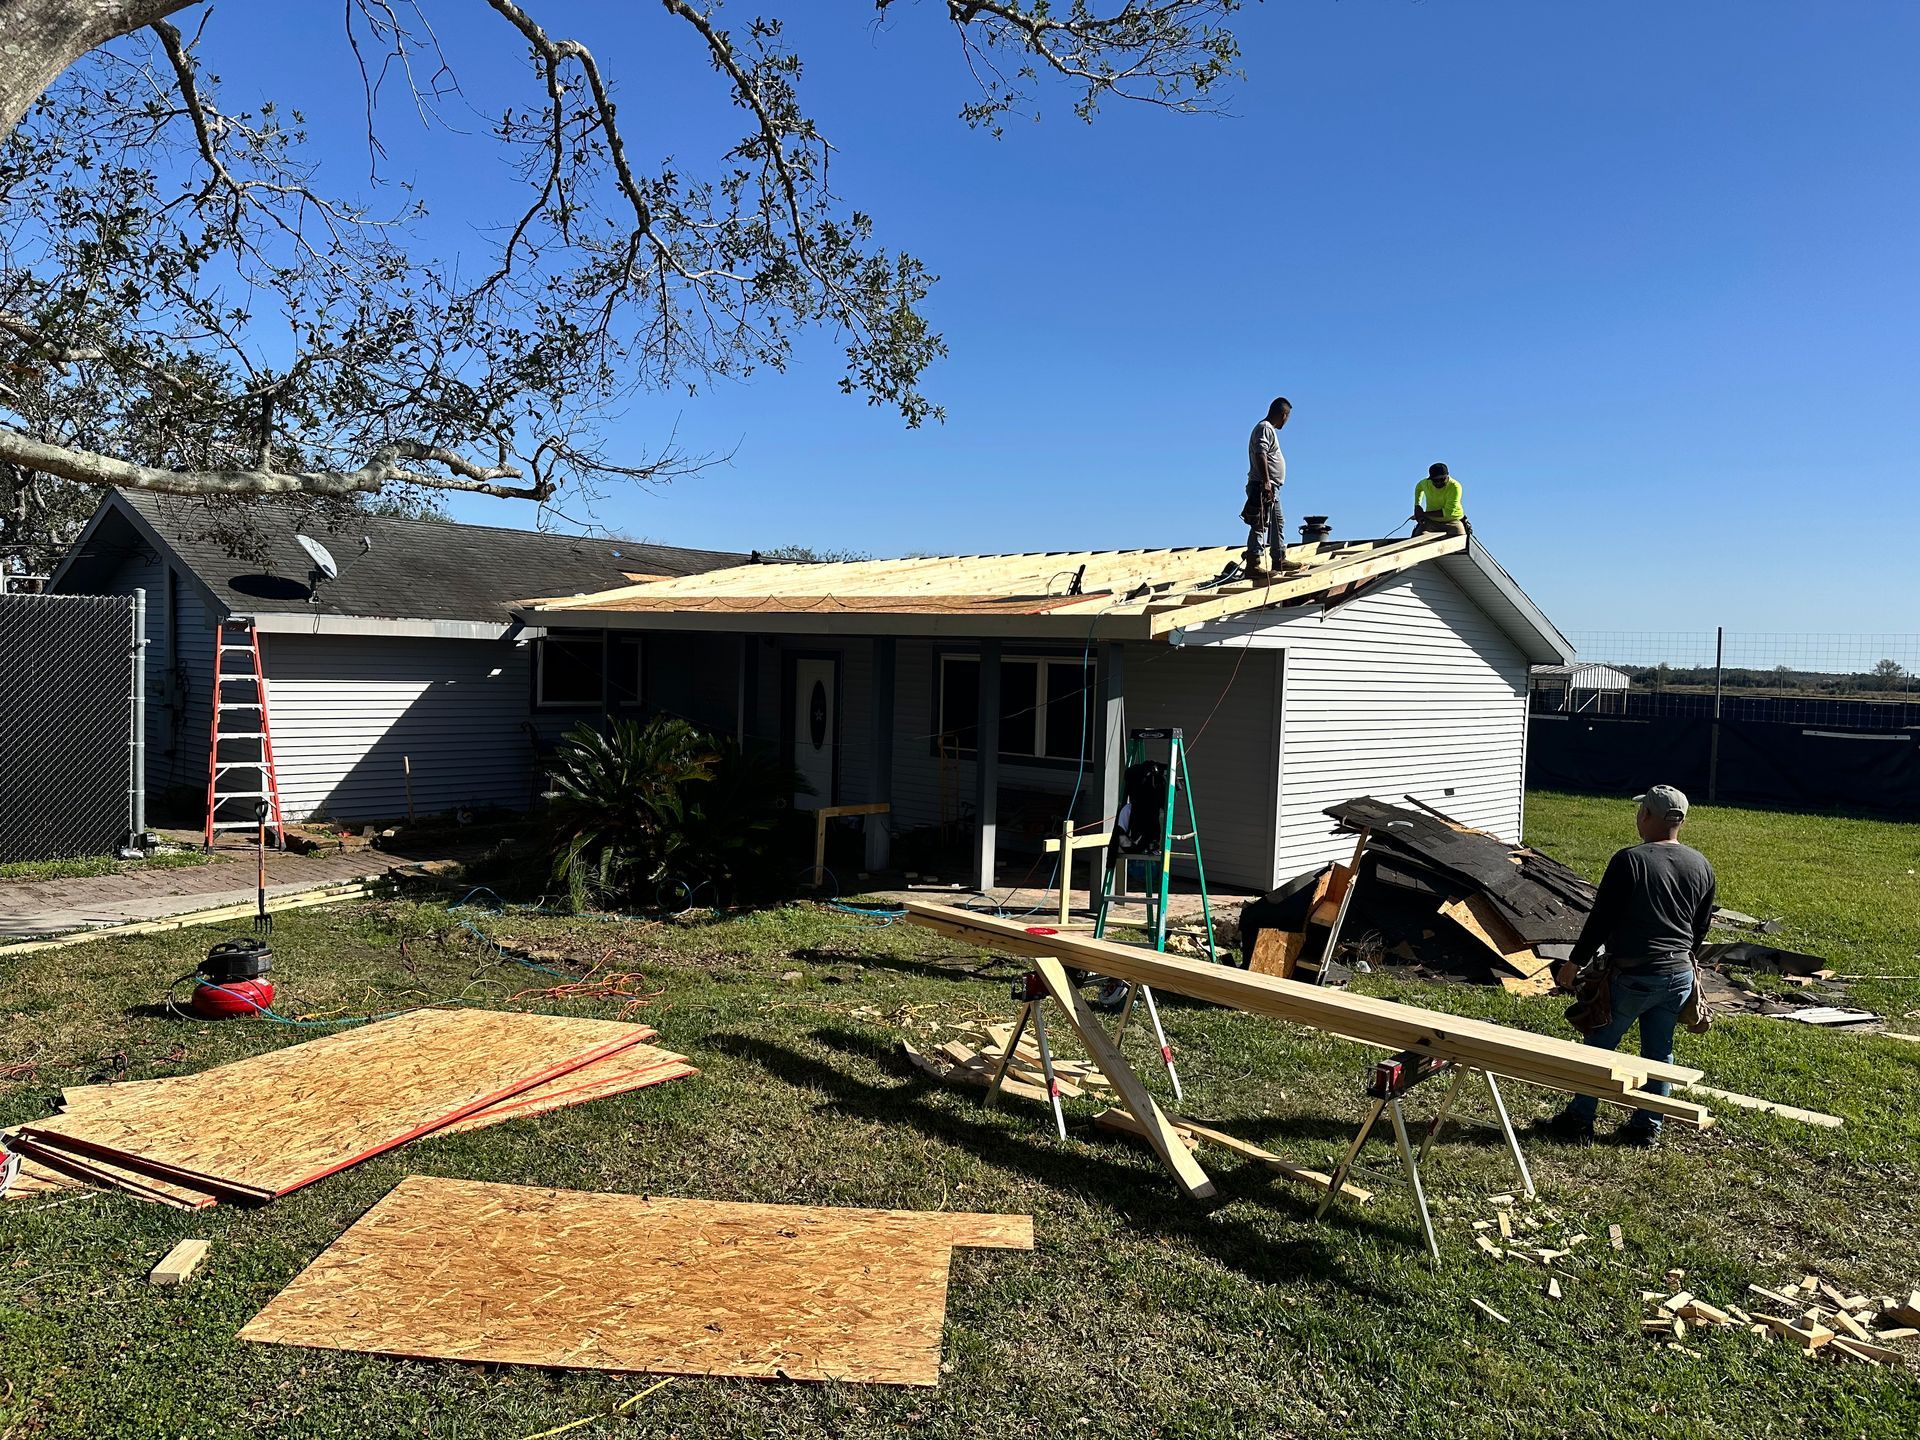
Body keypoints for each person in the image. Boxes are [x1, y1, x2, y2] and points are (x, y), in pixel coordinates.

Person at [1546, 785, 1715, 1146]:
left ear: (1648, 816)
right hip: (1679, 975)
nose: (1638, 817)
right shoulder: (1701, 864)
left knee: (1598, 1044)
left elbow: (1601, 919)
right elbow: (1700, 927)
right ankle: (1647, 1126)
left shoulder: (1630, 860)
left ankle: (1578, 1121)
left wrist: (1573, 964)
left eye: (1641, 812)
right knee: (1659, 1050)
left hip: (1635, 975)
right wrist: (1681, 959)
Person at [1241, 397, 1301, 579]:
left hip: (1271, 486)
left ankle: (1279, 558)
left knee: (1276, 522)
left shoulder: (1267, 429)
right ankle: (1254, 563)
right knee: (1260, 523)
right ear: (1284, 414)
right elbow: (1261, 453)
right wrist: (1266, 481)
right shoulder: (1265, 428)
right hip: (1262, 486)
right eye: (1287, 417)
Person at [1412, 462, 1468, 536]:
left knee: (1461, 540)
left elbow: (1448, 512)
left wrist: (1422, 514)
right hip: (1430, 521)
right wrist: (1417, 505)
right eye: (1435, 480)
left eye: (1442, 479)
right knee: (1416, 539)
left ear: (1447, 476)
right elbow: (1418, 487)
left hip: (1452, 521)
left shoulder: (1455, 487)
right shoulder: (1425, 483)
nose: (1439, 483)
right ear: (1430, 479)